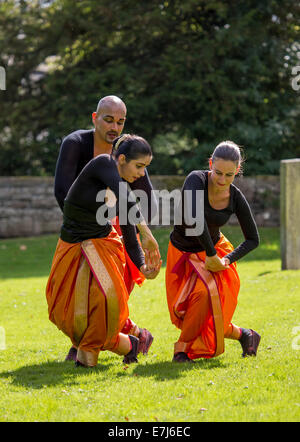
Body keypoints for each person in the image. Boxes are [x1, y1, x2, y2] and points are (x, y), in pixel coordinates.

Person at [54, 96, 160, 359]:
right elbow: (62, 191)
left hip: (116, 230)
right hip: (82, 228)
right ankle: (128, 335)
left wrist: (138, 238)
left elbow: (141, 199)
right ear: (95, 118)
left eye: (120, 121)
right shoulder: (78, 144)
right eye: (108, 119)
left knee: (107, 295)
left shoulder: (127, 154)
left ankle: (92, 344)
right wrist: (81, 228)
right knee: (80, 295)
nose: (115, 127)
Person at [165, 141, 261, 363]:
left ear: (237, 171)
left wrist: (224, 260)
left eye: (229, 175)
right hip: (182, 252)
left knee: (203, 296)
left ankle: (181, 351)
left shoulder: (235, 197)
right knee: (183, 310)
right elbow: (193, 216)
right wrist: (210, 254)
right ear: (210, 164)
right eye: (218, 172)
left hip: (215, 253)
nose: (222, 180)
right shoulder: (195, 179)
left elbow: (253, 239)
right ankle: (244, 335)